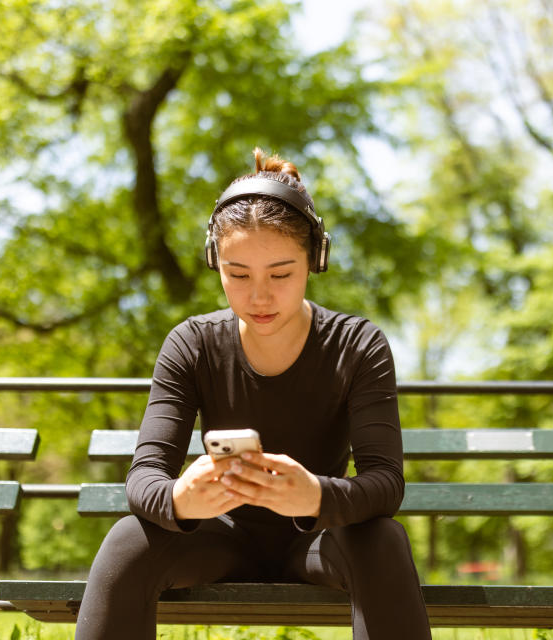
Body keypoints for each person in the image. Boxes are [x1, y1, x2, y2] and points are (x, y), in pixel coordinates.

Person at [75, 148, 432, 639]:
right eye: (237, 274)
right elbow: (144, 479)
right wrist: (179, 501)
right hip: (218, 538)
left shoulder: (357, 343)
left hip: (319, 538)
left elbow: (386, 482)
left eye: (281, 274)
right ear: (214, 263)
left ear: (316, 260)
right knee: (127, 541)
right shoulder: (192, 343)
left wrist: (315, 495)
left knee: (383, 540)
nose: (259, 296)